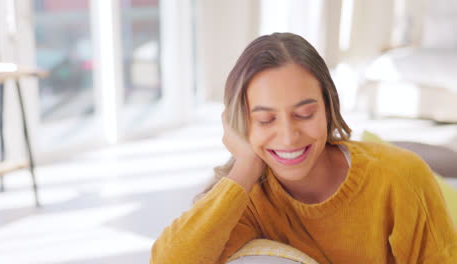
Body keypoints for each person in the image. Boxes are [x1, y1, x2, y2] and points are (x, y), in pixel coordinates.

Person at [151, 33, 457, 263]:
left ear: (328, 108)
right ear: (240, 124)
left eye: (304, 114)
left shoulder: (400, 177)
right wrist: (245, 165)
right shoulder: (248, 199)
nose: (288, 137)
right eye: (266, 119)